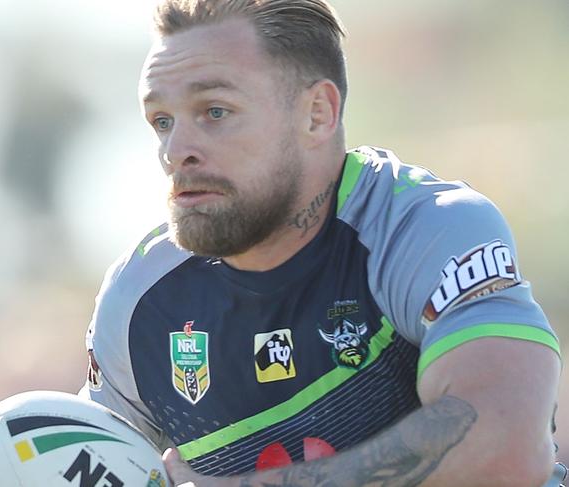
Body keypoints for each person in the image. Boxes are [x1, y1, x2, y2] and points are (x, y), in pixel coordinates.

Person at [80, 0, 564, 485]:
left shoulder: (424, 228)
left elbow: (506, 450)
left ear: (317, 114)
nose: (175, 150)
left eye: (215, 111)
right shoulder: (137, 302)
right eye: (161, 120)